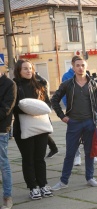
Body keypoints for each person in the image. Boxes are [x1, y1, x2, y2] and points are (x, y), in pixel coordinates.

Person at [51, 55, 97, 190]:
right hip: (74, 123)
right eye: (77, 65)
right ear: (73, 67)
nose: (80, 68)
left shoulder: (93, 84)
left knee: (89, 152)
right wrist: (62, 116)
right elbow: (54, 100)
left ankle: (90, 177)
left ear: (86, 67)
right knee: (70, 153)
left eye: (82, 65)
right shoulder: (67, 84)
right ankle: (63, 181)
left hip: (90, 123)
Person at [13, 59, 53, 199]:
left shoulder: (40, 84)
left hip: (40, 127)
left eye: (30, 68)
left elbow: (47, 103)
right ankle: (33, 187)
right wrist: (30, 109)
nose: (29, 71)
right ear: (19, 70)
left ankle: (43, 184)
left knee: (39, 158)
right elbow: (13, 106)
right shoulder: (15, 85)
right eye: (25, 68)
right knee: (28, 159)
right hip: (23, 128)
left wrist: (38, 109)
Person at [0, 72, 17, 209]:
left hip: (0, 130)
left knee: (3, 163)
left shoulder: (9, 84)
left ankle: (7, 197)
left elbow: (6, 109)